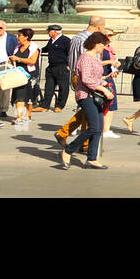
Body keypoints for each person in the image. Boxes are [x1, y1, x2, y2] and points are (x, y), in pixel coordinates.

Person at [59, 32, 113, 169]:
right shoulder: (85, 58)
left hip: (95, 94)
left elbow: (94, 77)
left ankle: (92, 158)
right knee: (94, 127)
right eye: (103, 45)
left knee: (98, 128)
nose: (104, 48)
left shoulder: (95, 57)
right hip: (85, 95)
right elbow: (86, 79)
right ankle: (68, 150)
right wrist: (104, 89)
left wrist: (105, 80)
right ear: (96, 44)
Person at [54, 16, 105, 146]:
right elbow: (89, 60)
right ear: (99, 27)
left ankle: (66, 133)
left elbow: (71, 59)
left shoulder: (76, 37)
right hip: (87, 77)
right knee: (90, 108)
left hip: (76, 75)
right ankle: (83, 142)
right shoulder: (91, 41)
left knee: (86, 109)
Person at [9, 28, 40, 127]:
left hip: (30, 74)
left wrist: (18, 59)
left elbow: (32, 61)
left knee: (29, 96)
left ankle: (28, 115)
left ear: (26, 37)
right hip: (18, 74)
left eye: (20, 35)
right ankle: (19, 116)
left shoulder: (34, 47)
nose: (18, 38)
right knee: (19, 95)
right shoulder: (17, 47)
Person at [36, 24, 71, 112]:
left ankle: (59, 106)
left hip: (62, 67)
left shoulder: (66, 40)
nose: (48, 33)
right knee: (49, 87)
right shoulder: (51, 40)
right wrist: (37, 50)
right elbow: (46, 49)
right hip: (51, 67)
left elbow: (71, 54)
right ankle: (45, 105)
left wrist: (69, 66)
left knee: (63, 88)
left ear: (54, 32)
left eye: (49, 31)